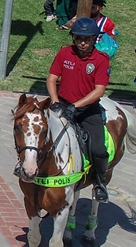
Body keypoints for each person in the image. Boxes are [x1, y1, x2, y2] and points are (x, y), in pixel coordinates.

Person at [47, 17, 112, 202]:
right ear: (73, 38)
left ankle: (100, 182)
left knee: (99, 149)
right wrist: (55, 101)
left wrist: (76, 106)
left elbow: (99, 90)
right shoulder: (64, 53)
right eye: (78, 39)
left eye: (87, 39)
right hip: (62, 104)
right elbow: (52, 79)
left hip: (87, 110)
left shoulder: (101, 60)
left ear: (94, 39)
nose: (82, 43)